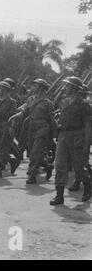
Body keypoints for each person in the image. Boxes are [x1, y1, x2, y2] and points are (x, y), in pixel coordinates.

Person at [50, 76, 91, 205]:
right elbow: (59, 113)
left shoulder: (84, 105)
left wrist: (86, 144)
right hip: (63, 136)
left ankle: (88, 187)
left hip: (77, 136)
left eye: (67, 86)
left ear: (74, 88)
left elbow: (88, 127)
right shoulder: (64, 101)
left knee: (78, 166)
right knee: (60, 165)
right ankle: (59, 195)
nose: (64, 88)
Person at [9, 79, 55, 184]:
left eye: (36, 86)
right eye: (33, 85)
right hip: (31, 128)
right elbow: (24, 112)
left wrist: (56, 130)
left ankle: (33, 175)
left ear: (41, 88)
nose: (33, 87)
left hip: (42, 129)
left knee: (35, 152)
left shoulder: (47, 103)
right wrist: (14, 116)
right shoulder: (30, 99)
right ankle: (47, 166)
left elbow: (52, 119)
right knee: (32, 153)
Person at [0, 81, 19, 177]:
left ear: (5, 90)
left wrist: (12, 127)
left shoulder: (12, 102)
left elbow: (13, 115)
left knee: (2, 148)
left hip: (5, 126)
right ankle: (12, 160)